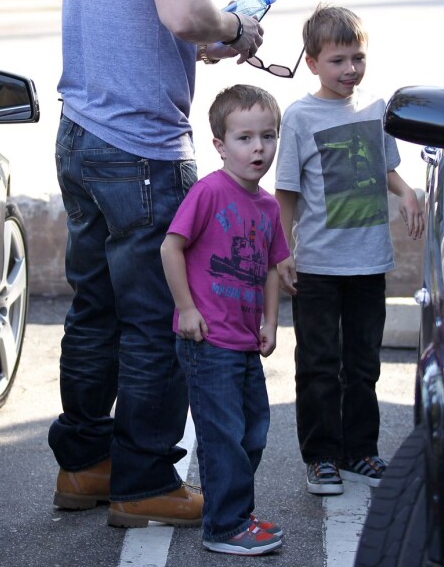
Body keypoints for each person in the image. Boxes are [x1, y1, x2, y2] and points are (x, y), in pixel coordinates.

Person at [49, 0, 266, 529]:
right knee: (157, 323)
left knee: (93, 312)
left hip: (80, 139)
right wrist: (234, 26)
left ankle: (84, 466)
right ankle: (144, 483)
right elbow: (181, 13)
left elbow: (147, 20)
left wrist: (203, 38)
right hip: (138, 150)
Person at [275, 4, 424, 496]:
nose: (350, 70)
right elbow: (287, 193)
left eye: (357, 58)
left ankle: (361, 450)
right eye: (338, 60)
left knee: (363, 364)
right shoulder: (299, 116)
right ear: (313, 63)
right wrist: (282, 253)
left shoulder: (375, 109)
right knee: (318, 364)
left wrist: (404, 192)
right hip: (317, 264)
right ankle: (321, 457)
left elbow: (385, 167)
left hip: (368, 262)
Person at [160, 85, 289, 556]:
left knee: (253, 431)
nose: (259, 148)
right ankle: (225, 526)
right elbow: (170, 247)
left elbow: (273, 266)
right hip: (209, 341)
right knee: (223, 436)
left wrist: (271, 322)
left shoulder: (269, 206)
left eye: (268, 136)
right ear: (219, 144)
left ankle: (231, 510)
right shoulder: (209, 191)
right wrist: (187, 308)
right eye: (245, 138)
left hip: (244, 342)